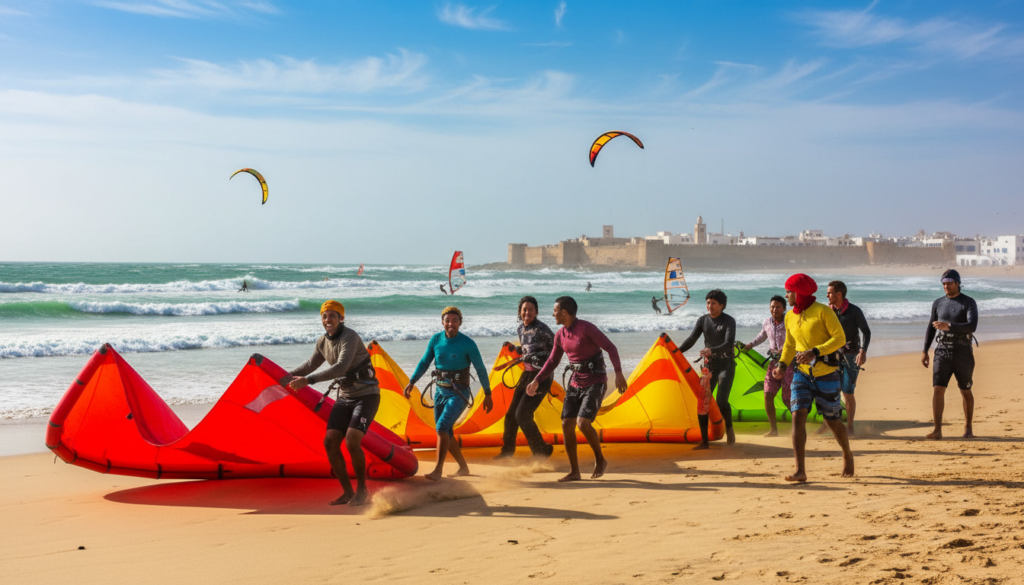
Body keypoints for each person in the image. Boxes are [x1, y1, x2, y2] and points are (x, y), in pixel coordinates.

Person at [285, 300, 379, 506]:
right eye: (325, 316)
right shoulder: (322, 341)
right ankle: (347, 492)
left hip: (367, 395)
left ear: (341, 318)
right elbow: (310, 364)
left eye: (333, 316)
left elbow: (341, 367)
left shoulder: (350, 337)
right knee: (330, 442)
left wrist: (308, 381)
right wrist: (284, 376)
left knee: (352, 441)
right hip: (345, 397)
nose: (328, 320)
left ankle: (362, 491)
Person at [529, 296, 627, 482]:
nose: (553, 314)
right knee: (566, 424)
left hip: (595, 381)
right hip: (575, 382)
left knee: (582, 423)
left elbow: (610, 347)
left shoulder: (586, 328)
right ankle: (575, 471)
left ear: (564, 312)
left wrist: (619, 373)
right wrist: (537, 380)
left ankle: (600, 459)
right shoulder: (560, 334)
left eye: (555, 310)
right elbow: (552, 361)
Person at [773, 273, 853, 482]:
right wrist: (781, 364)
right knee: (798, 415)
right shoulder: (790, 316)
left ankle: (847, 453)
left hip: (827, 374)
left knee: (832, 420)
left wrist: (815, 352)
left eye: (789, 291)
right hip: (802, 374)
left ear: (799, 293)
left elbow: (840, 338)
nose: (786, 295)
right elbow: (790, 345)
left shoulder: (823, 312)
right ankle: (801, 470)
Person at [404, 307, 493, 480]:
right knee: (446, 431)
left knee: (442, 427)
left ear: (460, 322)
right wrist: (412, 381)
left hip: (459, 393)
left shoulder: (467, 343)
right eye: (447, 320)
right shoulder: (436, 339)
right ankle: (463, 468)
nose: (451, 324)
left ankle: (438, 470)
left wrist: (488, 393)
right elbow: (424, 362)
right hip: (440, 391)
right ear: (442, 322)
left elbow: (481, 369)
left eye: (454, 320)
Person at [493, 296, 556, 460]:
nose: (527, 312)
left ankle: (541, 449)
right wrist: (515, 348)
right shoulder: (520, 329)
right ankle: (507, 452)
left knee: (522, 415)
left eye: (531, 309)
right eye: (524, 309)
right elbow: (527, 349)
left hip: (541, 376)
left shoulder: (542, 328)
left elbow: (556, 349)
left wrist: (536, 356)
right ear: (520, 312)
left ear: (536, 312)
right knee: (511, 415)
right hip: (526, 374)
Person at [922, 269, 978, 440]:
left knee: (965, 390)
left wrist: (949, 326)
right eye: (943, 283)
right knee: (938, 389)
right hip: (942, 350)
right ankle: (937, 430)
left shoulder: (968, 302)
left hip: (963, 351)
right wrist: (925, 350)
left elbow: (972, 326)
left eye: (949, 283)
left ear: (957, 283)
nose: (945, 286)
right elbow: (931, 328)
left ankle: (968, 428)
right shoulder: (938, 303)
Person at [678, 289, 737, 448]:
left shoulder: (729, 321)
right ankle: (704, 441)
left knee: (721, 400)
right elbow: (691, 339)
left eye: (714, 303)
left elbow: (728, 344)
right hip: (709, 367)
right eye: (708, 303)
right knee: (702, 402)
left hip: (726, 365)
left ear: (722, 305)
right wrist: (676, 351)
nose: (710, 306)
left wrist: (712, 350)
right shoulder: (703, 320)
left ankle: (729, 428)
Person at [817, 280, 871, 437]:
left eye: (830, 292)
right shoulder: (827, 311)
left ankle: (850, 426)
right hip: (831, 357)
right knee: (829, 391)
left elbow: (866, 332)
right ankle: (826, 424)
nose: (827, 295)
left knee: (847, 392)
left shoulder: (854, 311)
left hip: (851, 356)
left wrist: (863, 351)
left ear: (839, 294)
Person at [744, 295, 792, 437]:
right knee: (768, 394)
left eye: (778, 307)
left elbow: (796, 339)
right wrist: (751, 345)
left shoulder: (789, 322)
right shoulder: (767, 322)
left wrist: (785, 350)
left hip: (788, 364)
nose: (774, 309)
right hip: (773, 364)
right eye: (772, 306)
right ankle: (774, 430)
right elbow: (762, 336)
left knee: (787, 399)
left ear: (784, 308)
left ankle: (799, 424)